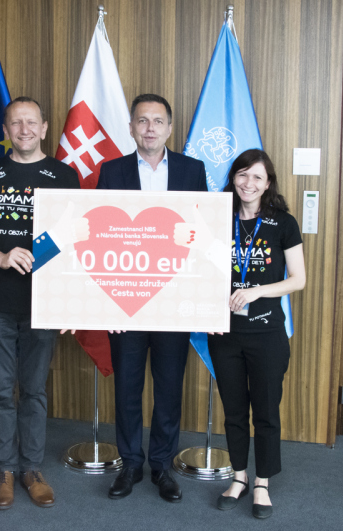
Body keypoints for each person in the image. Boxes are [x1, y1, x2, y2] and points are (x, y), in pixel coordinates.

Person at [0, 97, 80, 510]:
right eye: (15, 123)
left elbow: (75, 241)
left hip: (44, 302)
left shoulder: (64, 176)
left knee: (34, 390)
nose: (24, 129)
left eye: (31, 122)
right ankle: (5, 469)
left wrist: (71, 303)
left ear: (44, 128)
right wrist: (0, 257)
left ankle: (31, 468)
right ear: (5, 130)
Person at [96, 93, 207, 502]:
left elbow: (203, 231)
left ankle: (161, 465)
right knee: (127, 387)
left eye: (158, 121)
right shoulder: (112, 171)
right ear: (131, 128)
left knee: (168, 388)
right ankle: (130, 464)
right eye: (142, 121)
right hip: (125, 300)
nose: (150, 128)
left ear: (170, 128)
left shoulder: (192, 170)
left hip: (174, 300)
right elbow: (100, 234)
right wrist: (107, 301)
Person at [208, 149, 305, 519]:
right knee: (234, 410)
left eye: (257, 177)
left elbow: (298, 279)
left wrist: (256, 291)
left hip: (266, 334)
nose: (248, 183)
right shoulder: (218, 218)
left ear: (268, 184)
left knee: (265, 411)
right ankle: (239, 477)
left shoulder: (283, 223)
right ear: (233, 178)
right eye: (242, 174)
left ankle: (262, 482)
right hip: (225, 333)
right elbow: (201, 268)